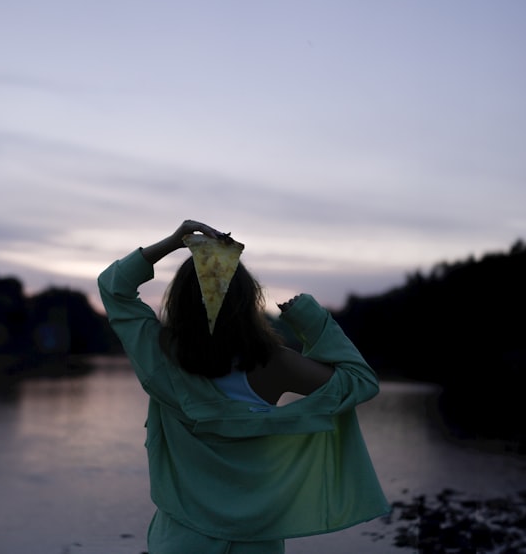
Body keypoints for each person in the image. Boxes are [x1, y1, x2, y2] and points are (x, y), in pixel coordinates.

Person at [97, 219, 389, 554]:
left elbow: (113, 287)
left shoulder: (159, 358)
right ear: (247, 302)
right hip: (256, 540)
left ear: (180, 301)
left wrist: (175, 241)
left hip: (180, 540)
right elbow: (360, 382)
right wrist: (312, 320)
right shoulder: (274, 363)